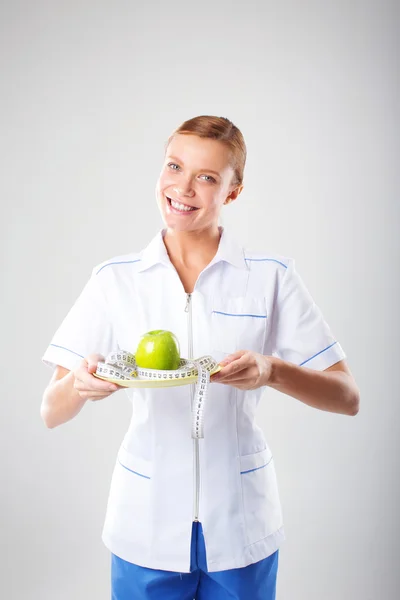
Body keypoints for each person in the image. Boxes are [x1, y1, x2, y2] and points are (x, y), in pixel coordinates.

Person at [41, 115, 360, 600]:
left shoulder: (270, 277)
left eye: (206, 177)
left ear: (233, 191)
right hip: (144, 520)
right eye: (174, 166)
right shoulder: (115, 279)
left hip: (240, 522)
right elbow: (51, 410)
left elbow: (347, 397)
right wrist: (80, 387)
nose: (182, 188)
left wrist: (272, 371)